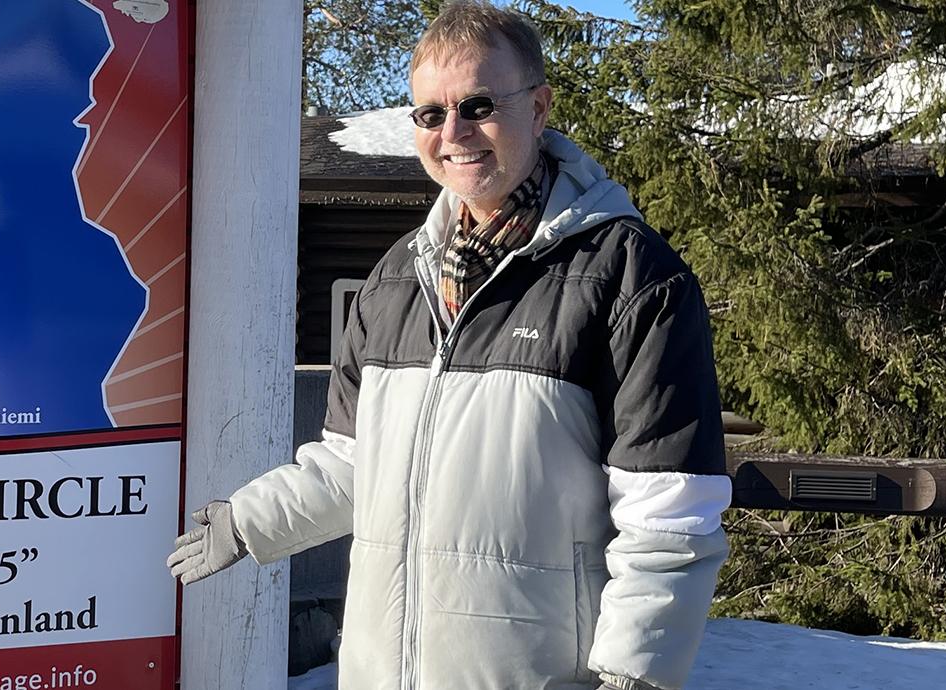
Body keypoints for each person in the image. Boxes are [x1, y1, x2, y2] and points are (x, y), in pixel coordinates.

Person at [166, 3, 731, 689]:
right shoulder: (398, 278)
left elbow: (669, 516)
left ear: (540, 107)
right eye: (431, 114)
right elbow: (353, 465)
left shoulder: (629, 276)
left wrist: (634, 675)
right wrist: (246, 521)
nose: (454, 132)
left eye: (478, 105)